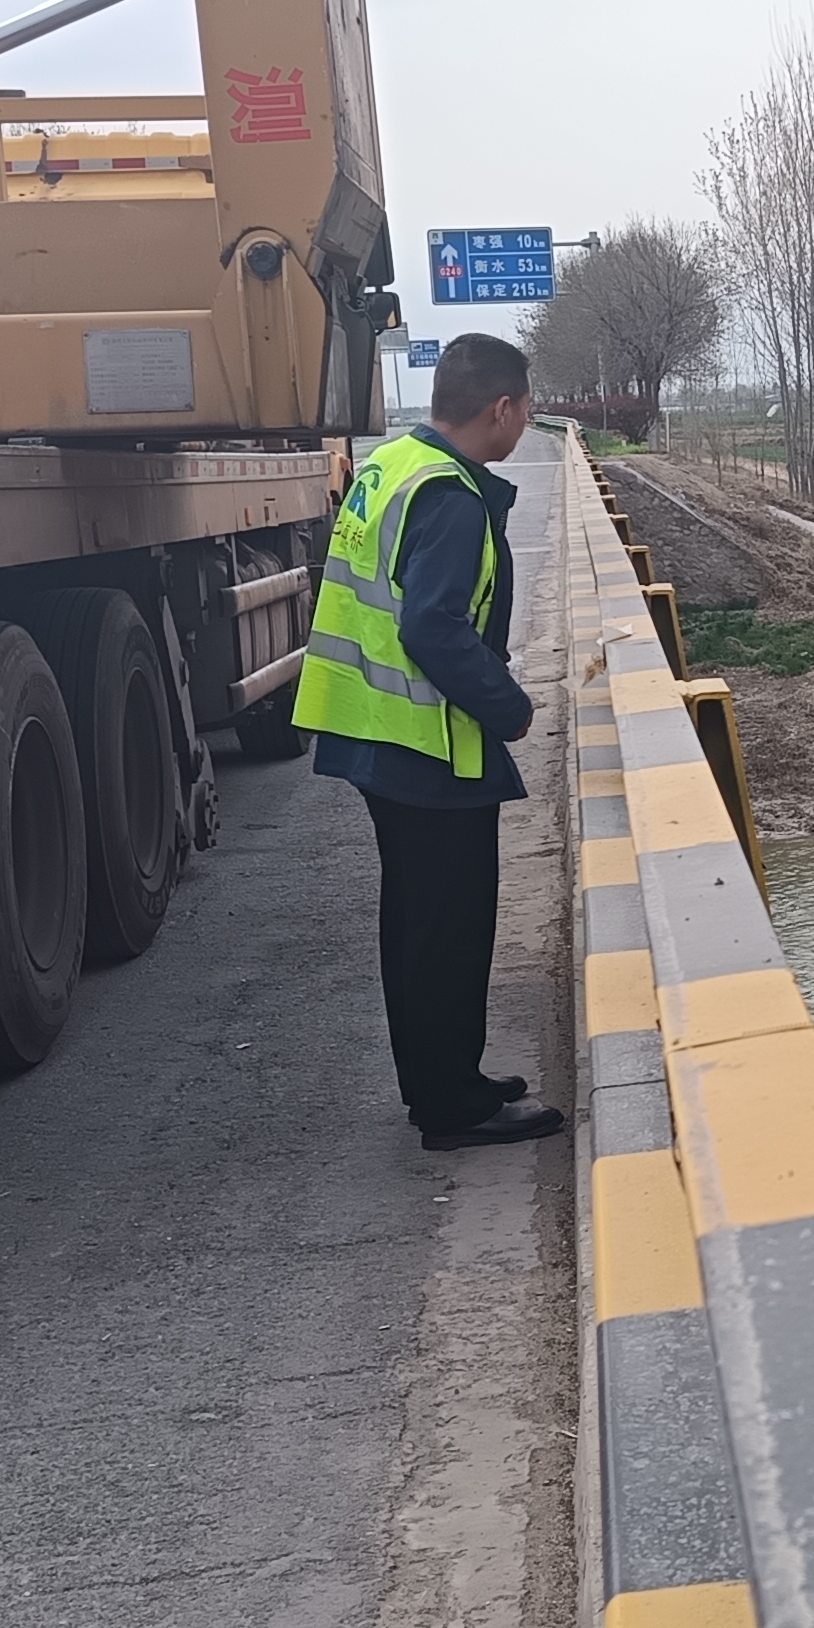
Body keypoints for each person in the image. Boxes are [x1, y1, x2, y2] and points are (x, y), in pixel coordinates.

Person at [294, 332, 566, 1153]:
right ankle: (454, 1107)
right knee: (449, 928)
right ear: (502, 408)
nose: (524, 424)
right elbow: (433, 627)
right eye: (525, 411)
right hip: (427, 743)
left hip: (377, 732)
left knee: (415, 922)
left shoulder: (391, 465)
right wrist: (508, 706)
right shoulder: (448, 495)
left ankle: (439, 1080)